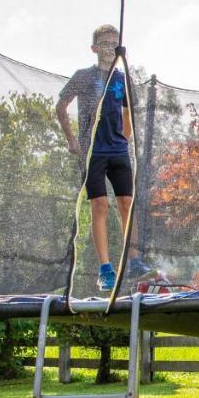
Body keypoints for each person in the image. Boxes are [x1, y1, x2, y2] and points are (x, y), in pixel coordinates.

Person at [56, 23, 151, 292]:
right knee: (99, 206)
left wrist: (124, 137)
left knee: (126, 204)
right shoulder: (83, 76)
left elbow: (128, 112)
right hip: (93, 152)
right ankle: (105, 269)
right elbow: (61, 106)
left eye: (115, 43)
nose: (111, 47)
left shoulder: (122, 77)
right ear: (95, 48)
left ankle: (133, 261)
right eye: (106, 43)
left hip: (118, 150)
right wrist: (72, 140)